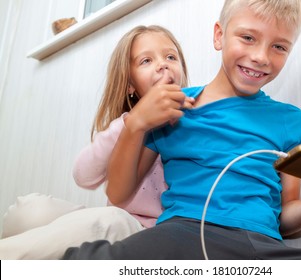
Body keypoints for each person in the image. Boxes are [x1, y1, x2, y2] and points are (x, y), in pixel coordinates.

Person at [62, 0, 301, 260]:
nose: (261, 56)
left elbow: (285, 218)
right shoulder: (171, 107)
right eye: (248, 37)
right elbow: (118, 194)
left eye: (279, 47)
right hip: (182, 235)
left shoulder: (292, 121)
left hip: (264, 250)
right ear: (219, 35)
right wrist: (136, 124)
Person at [0, 25, 192, 259]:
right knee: (29, 210)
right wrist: (129, 124)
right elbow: (84, 175)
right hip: (109, 220)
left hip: (145, 233)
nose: (162, 64)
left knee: (111, 219)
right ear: (130, 85)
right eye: (146, 61)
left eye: (170, 57)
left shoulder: (192, 121)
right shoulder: (125, 125)